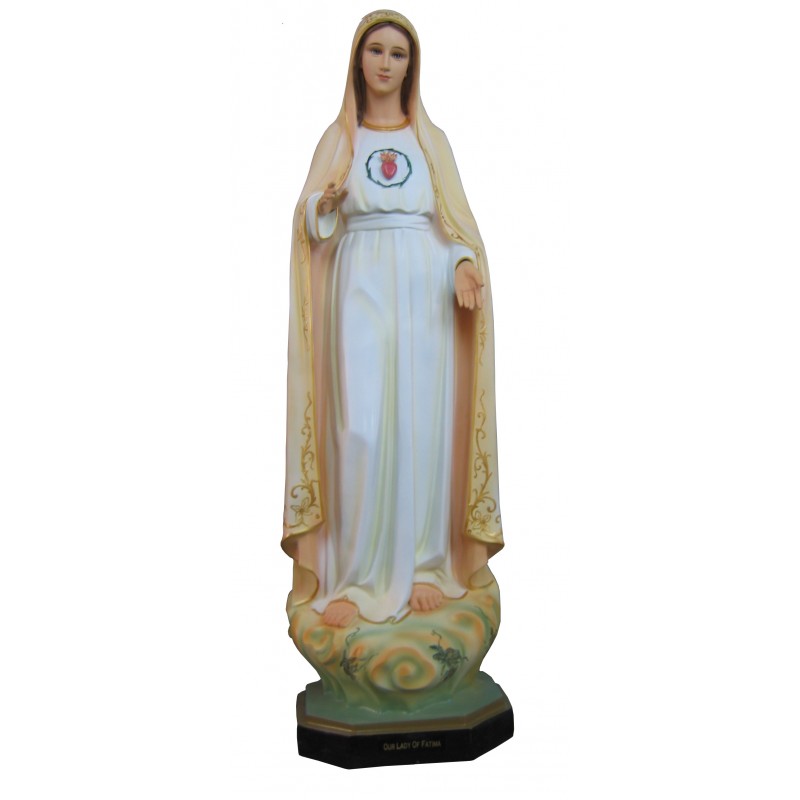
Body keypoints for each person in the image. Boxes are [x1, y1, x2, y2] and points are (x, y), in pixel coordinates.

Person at [282, 10, 503, 628]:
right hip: (359, 286)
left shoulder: (431, 142)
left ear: (412, 66)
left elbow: (454, 225)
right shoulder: (340, 140)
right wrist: (322, 205)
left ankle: (425, 566)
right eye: (375, 50)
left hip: (426, 294)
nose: (385, 63)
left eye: (398, 53)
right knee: (361, 427)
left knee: (423, 426)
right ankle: (355, 575)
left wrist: (463, 264)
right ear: (358, 59)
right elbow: (309, 221)